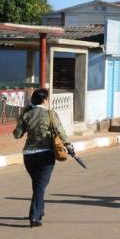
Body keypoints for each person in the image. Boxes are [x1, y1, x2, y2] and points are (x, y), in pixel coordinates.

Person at [13, 88, 74, 228]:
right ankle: (34, 216)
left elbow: (17, 135)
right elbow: (60, 131)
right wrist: (69, 146)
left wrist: (21, 117)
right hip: (46, 154)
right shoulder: (50, 113)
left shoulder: (26, 114)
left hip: (28, 156)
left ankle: (39, 211)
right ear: (45, 99)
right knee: (40, 185)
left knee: (38, 184)